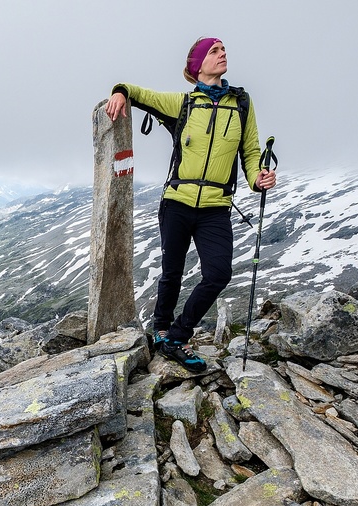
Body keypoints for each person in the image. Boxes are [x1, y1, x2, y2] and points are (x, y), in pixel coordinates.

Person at [106, 37, 276, 372]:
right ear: (197, 65)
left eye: (224, 49)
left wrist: (258, 179)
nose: (222, 53)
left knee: (218, 273)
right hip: (178, 202)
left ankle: (177, 337)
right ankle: (161, 329)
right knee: (172, 272)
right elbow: (139, 93)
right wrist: (119, 91)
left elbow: (251, 152)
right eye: (214, 51)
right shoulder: (184, 103)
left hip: (216, 206)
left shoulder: (241, 104)